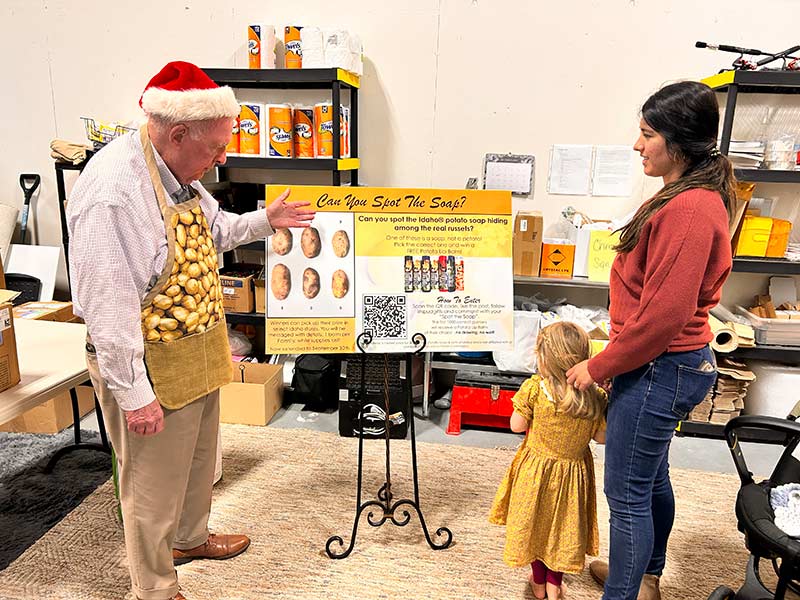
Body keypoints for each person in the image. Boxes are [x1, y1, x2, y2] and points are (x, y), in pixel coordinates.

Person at [67, 61, 315, 600]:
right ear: (177, 133)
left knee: (201, 460)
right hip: (149, 364)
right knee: (151, 485)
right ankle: (154, 587)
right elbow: (106, 308)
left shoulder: (180, 174)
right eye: (215, 148)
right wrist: (134, 396)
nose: (222, 159)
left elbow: (215, 230)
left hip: (196, 349)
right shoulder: (113, 191)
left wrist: (264, 221)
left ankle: (190, 537)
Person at [565, 80, 736, 600]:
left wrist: (597, 367)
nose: (638, 145)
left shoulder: (689, 209)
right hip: (664, 363)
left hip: (661, 366)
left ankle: (625, 591)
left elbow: (663, 319)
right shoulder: (686, 193)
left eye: (646, 134)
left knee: (627, 494)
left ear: (678, 140)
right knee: (651, 476)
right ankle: (643, 577)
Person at [489, 321, 608, 600]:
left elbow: (516, 425)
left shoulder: (534, 389)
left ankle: (539, 583)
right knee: (563, 529)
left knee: (534, 525)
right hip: (573, 476)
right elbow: (601, 438)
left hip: (535, 471)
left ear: (544, 357)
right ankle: (555, 586)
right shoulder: (595, 396)